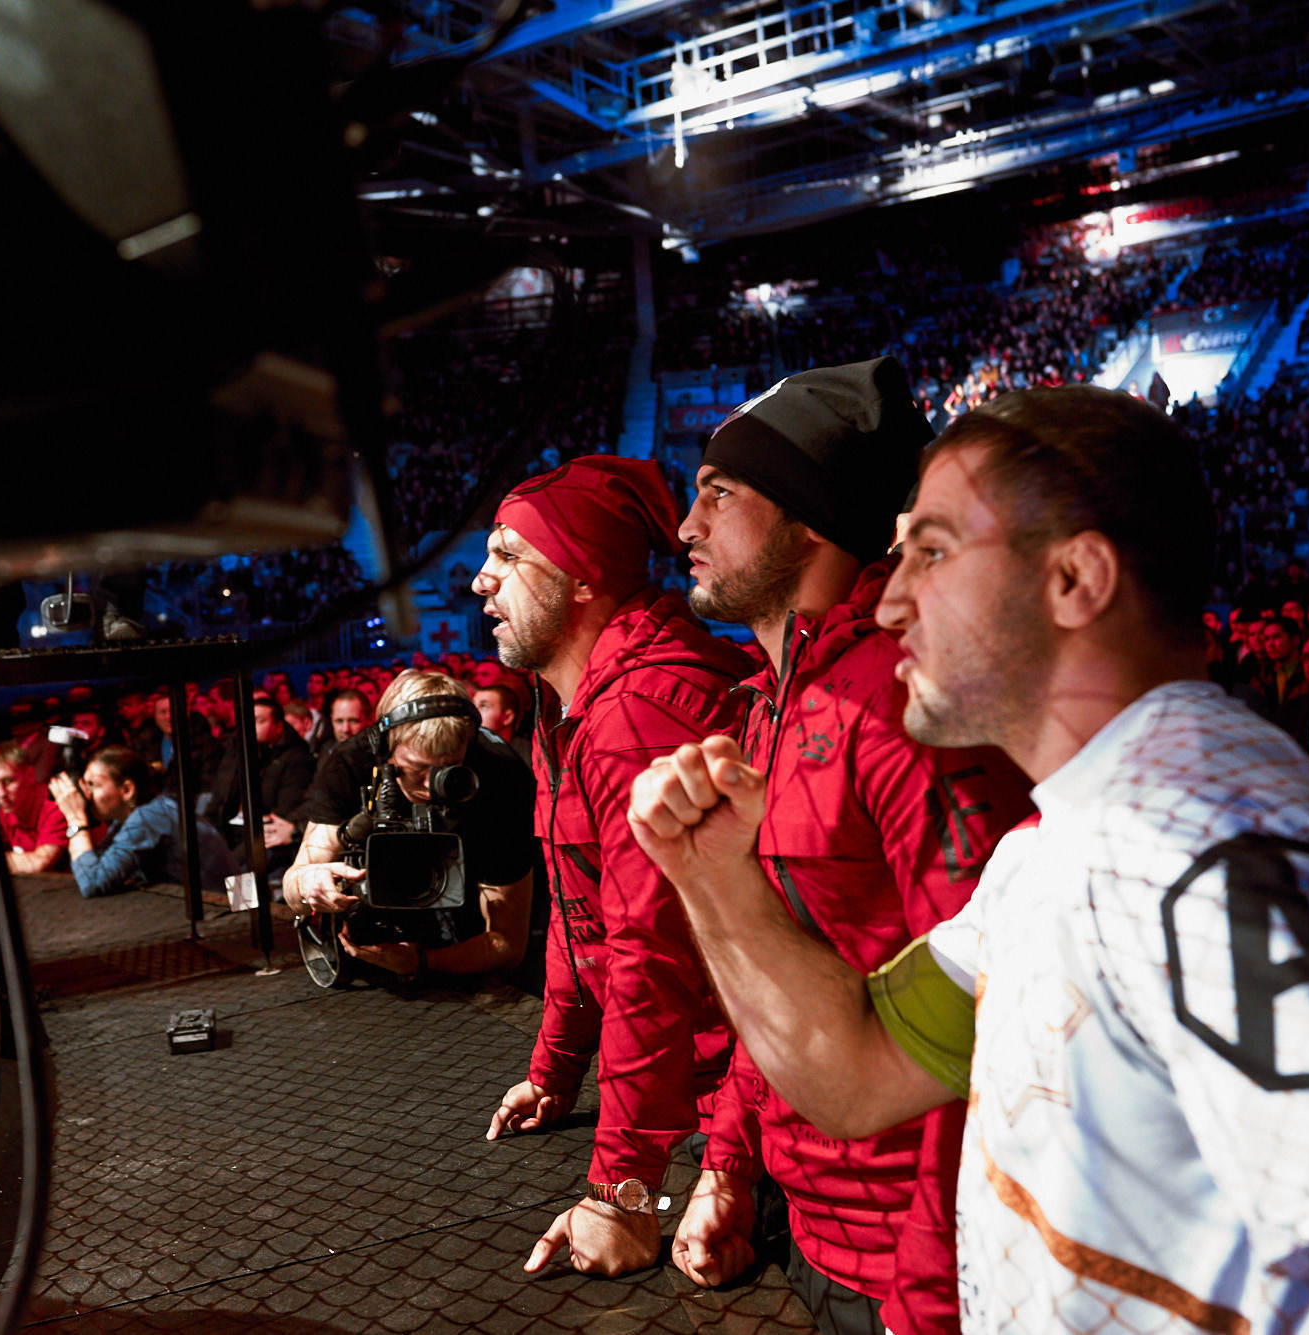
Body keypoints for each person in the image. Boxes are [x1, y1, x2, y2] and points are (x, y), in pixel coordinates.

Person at [628, 384, 1309, 1334]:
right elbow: (855, 1073)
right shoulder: (1055, 848)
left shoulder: (1202, 843)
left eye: (933, 552)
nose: (893, 600)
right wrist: (714, 875)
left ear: (1075, 580)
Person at [669, 358, 1034, 1335]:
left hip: (906, 1263)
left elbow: (987, 1024)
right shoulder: (771, 707)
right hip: (811, 1225)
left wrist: (924, 1296)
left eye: (717, 494)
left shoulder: (900, 701)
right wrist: (728, 1164)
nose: (685, 527)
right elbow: (780, 970)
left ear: (810, 517)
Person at [474, 456, 753, 1281]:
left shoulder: (637, 711)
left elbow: (650, 959)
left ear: (582, 574)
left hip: (730, 1116)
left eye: (509, 555)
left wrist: (625, 1193)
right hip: (686, 1104)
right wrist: (555, 1069)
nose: (482, 580)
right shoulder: (573, 709)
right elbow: (578, 913)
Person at [282, 671, 535, 978]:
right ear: (384, 749)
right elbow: (294, 887)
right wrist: (309, 885)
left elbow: (508, 945)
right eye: (417, 769)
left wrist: (423, 963)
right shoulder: (348, 765)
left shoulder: (500, 775)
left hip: (468, 943)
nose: (430, 788)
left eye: (447, 772)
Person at [50, 745, 236, 898]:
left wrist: (76, 819)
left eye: (94, 785)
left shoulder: (149, 818)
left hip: (237, 909)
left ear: (127, 790)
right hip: (230, 901)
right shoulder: (142, 813)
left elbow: (92, 882)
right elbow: (94, 866)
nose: (87, 795)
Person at [206, 694, 316, 883]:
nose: (250, 727)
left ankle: (242, 908)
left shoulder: (296, 757)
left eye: (259, 721)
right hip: (237, 826)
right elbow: (222, 795)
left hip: (270, 834)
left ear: (278, 726)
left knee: (236, 867)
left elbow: (284, 812)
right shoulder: (242, 749)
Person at [0, 740, 67, 874]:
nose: (1, 793)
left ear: (30, 775)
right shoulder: (6, 812)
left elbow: (38, 863)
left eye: (8, 781)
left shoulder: (55, 806)